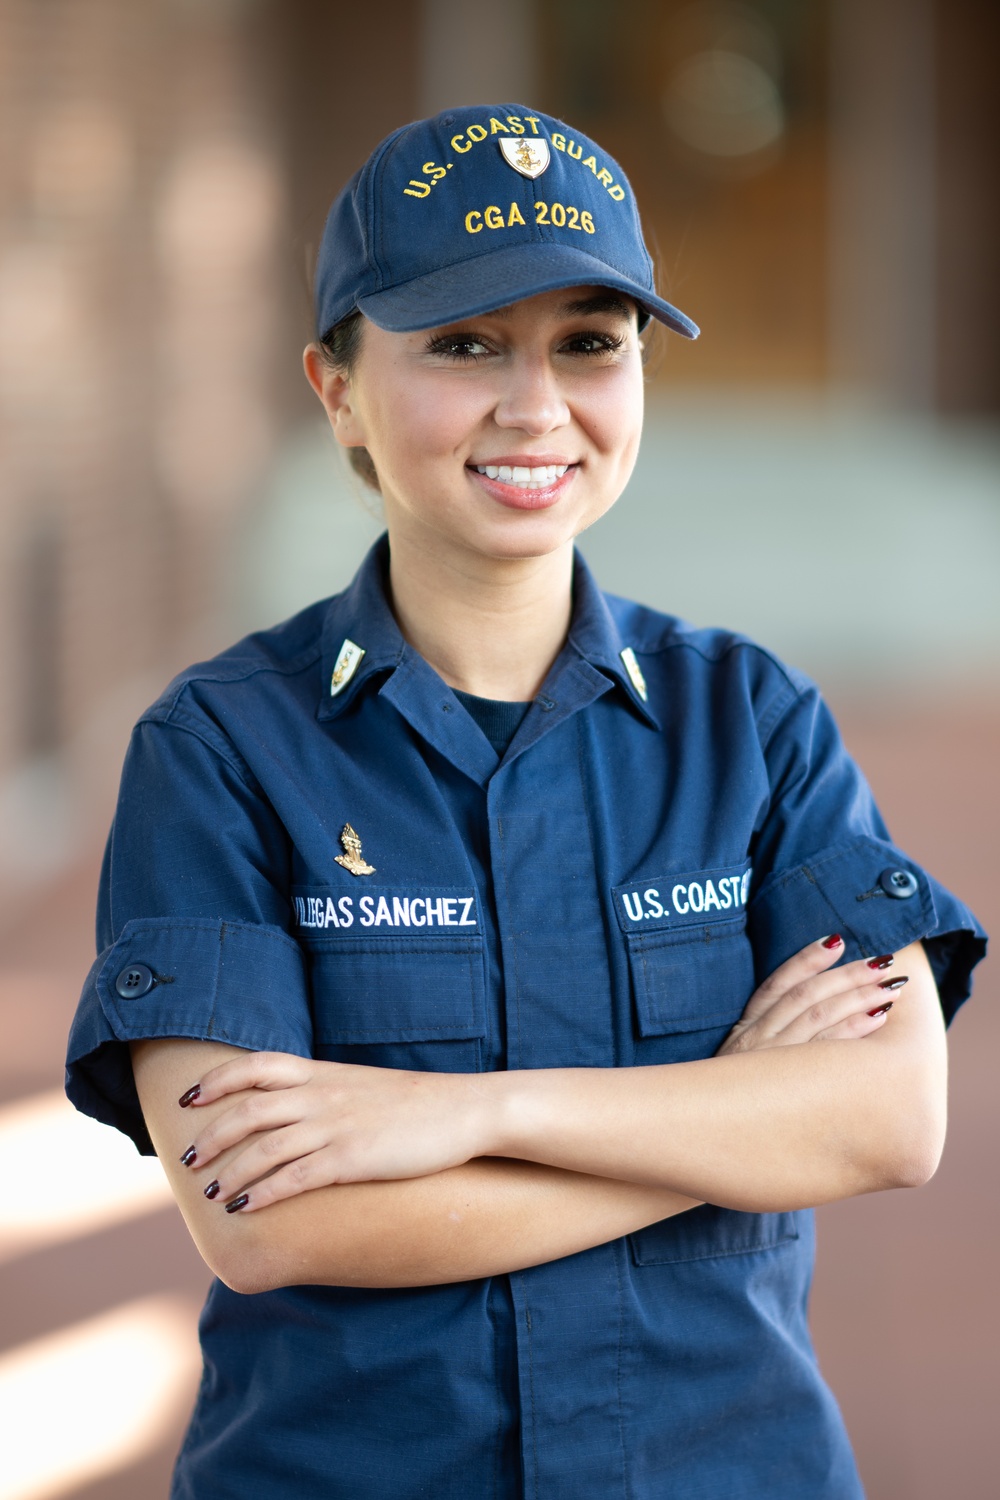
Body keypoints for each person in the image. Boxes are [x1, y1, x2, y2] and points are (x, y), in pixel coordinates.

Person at [66, 104, 986, 1499]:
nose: (536, 405)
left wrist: (465, 1116)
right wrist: (734, 1117)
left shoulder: (753, 721)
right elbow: (261, 1224)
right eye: (464, 345)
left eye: (589, 344)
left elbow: (891, 1122)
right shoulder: (219, 752)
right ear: (334, 388)